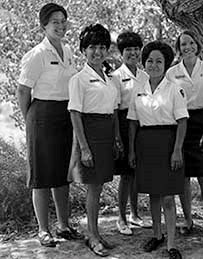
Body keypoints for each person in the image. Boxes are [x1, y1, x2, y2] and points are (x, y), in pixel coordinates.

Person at [17, 3, 83, 247]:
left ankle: (64, 226)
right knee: (42, 175)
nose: (60, 25)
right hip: (41, 116)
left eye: (63, 21)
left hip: (64, 116)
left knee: (61, 174)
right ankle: (43, 230)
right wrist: (30, 121)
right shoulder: (37, 54)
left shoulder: (67, 51)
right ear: (43, 25)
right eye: (55, 21)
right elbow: (23, 91)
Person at [128, 41, 188, 259]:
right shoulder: (138, 88)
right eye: (150, 61)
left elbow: (182, 121)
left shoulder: (174, 89)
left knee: (168, 197)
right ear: (144, 64)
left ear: (166, 64)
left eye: (159, 61)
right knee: (153, 194)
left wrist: (177, 150)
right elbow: (133, 122)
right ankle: (157, 234)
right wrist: (132, 151)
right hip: (145, 144)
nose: (154, 65)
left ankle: (171, 245)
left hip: (168, 142)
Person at [67, 24, 121, 257]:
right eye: (92, 47)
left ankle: (96, 232)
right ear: (83, 51)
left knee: (99, 185)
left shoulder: (109, 79)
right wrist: (84, 148)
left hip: (106, 134)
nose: (97, 52)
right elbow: (75, 113)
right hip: (89, 134)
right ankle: (92, 235)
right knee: (93, 188)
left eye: (101, 47)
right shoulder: (79, 79)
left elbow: (114, 110)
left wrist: (117, 139)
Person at [166, 30, 203, 239]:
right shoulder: (172, 73)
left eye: (191, 43)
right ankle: (188, 220)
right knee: (182, 178)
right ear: (178, 48)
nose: (187, 47)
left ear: (197, 45)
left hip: (201, 124)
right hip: (179, 125)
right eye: (183, 44)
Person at [112, 31, 150, 235]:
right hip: (125, 124)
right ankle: (121, 217)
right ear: (121, 53)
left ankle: (135, 215)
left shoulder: (145, 75)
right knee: (126, 174)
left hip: (143, 125)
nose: (133, 53)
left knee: (136, 172)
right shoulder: (116, 77)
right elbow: (115, 109)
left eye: (136, 49)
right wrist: (117, 137)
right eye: (128, 49)